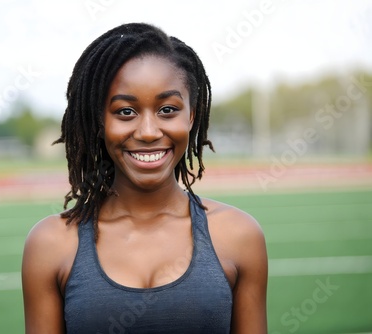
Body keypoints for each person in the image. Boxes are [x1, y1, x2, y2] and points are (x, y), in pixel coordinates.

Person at [22, 22, 267, 334]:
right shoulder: (51, 244)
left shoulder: (239, 236)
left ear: (191, 115)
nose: (149, 132)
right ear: (99, 120)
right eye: (126, 112)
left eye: (167, 109)